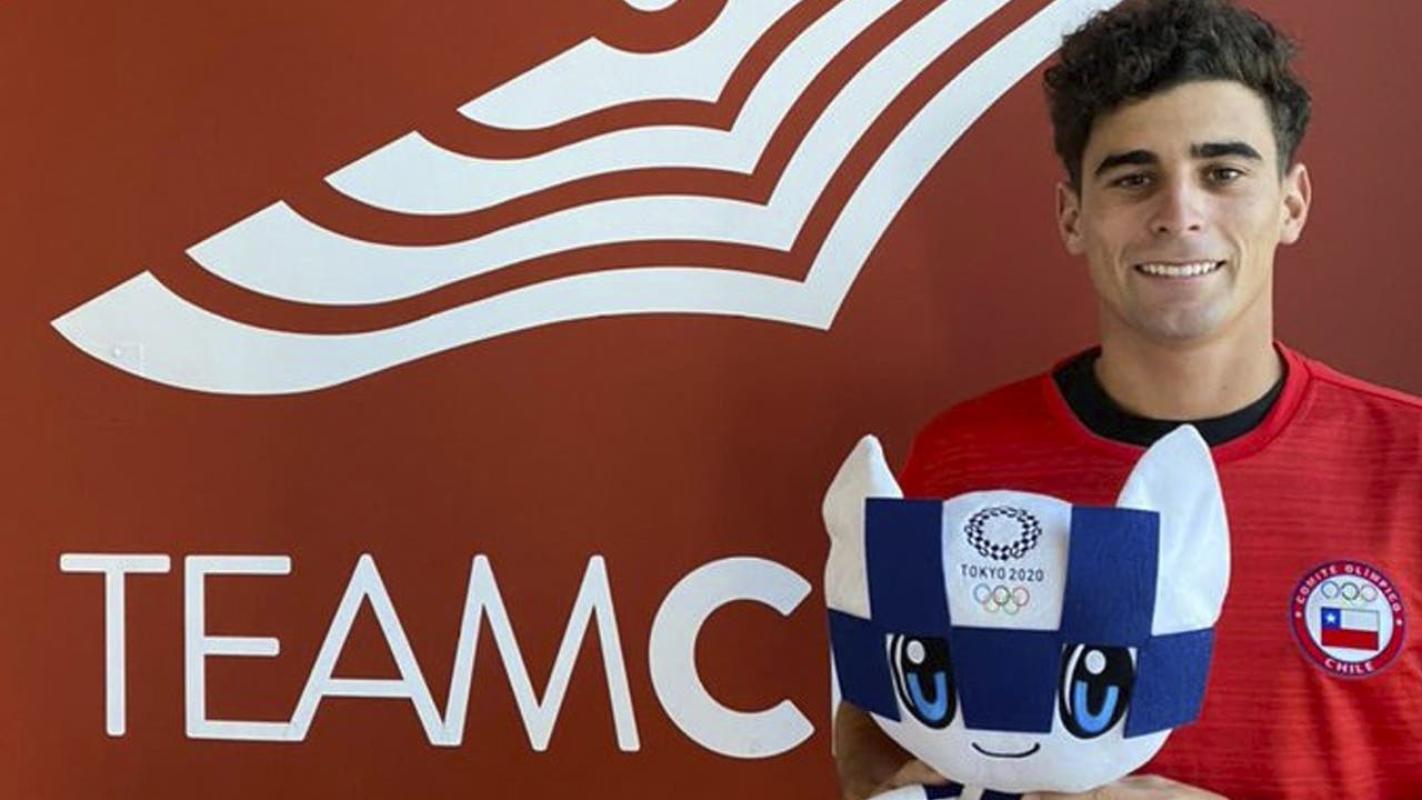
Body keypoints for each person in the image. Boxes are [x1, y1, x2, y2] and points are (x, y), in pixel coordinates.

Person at [833, 0, 1422, 798]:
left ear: (1291, 202)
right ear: (1073, 216)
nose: (1179, 215)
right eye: (1134, 178)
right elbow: (881, 735)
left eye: (1223, 173)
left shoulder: (1408, 466)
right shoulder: (962, 460)